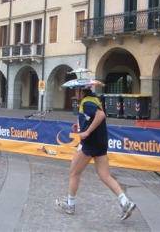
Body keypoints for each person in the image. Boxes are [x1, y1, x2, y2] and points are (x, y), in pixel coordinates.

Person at [55, 87, 136, 221]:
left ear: (81, 91)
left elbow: (100, 115)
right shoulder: (94, 99)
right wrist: (81, 127)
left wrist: (86, 132)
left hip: (90, 143)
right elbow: (92, 118)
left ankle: (70, 204)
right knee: (105, 176)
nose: (75, 95)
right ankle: (125, 202)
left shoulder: (87, 101)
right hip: (101, 142)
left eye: (76, 92)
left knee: (74, 172)